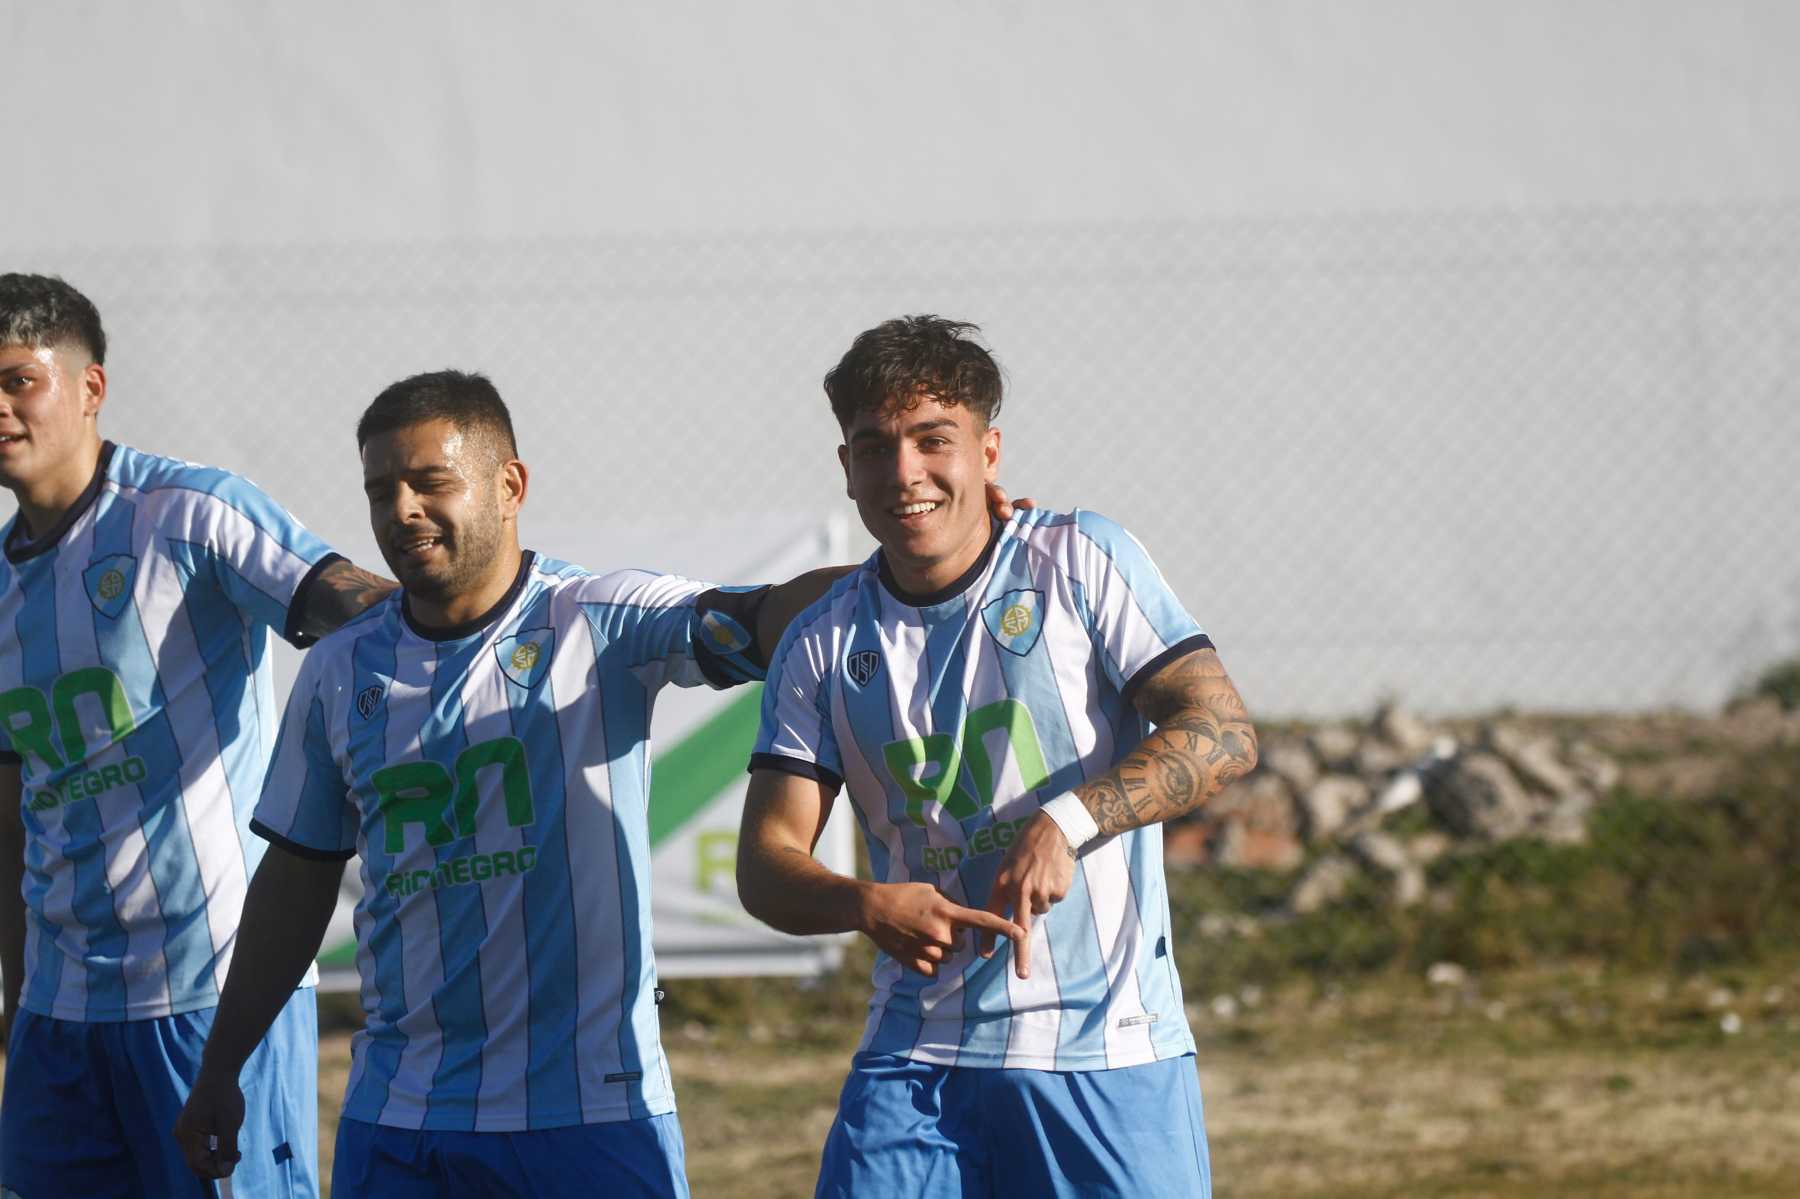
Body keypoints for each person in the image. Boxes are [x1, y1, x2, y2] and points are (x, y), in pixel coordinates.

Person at [173, 369, 1024, 1197]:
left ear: (509, 485)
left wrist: (955, 550)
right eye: (381, 489)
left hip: (591, 1114)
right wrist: (221, 1065)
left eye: (431, 482)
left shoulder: (598, 619)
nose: (402, 510)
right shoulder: (335, 671)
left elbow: (766, 617)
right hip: (401, 1118)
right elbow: (291, 886)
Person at [736, 315, 1259, 1198]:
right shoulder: (821, 642)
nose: (905, 472)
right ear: (847, 466)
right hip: (916, 1057)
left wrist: (1069, 820)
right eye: (875, 447)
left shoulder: (1079, 559)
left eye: (933, 440)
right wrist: (864, 901)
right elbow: (766, 864)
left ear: (988, 448)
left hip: (1102, 1048)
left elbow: (1223, 731)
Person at [0, 273, 393, 1197]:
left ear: (90, 388)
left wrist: (457, 618)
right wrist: (20, 1000)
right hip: (58, 1014)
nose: (0, 405)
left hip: (210, 996)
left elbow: (350, 602)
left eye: (21, 379)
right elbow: (10, 813)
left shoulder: (189, 513)